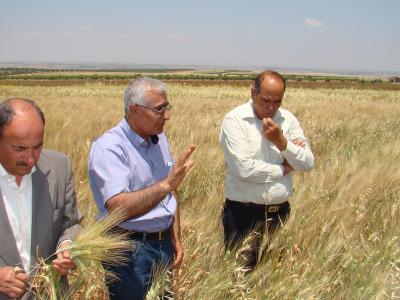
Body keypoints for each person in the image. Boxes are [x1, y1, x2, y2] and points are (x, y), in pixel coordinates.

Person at [88, 77, 196, 300]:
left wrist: (175, 236)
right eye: (159, 110)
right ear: (134, 109)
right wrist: (166, 184)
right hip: (128, 252)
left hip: (162, 246)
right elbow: (118, 207)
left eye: (167, 108)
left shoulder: (159, 139)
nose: (167, 116)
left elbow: (170, 192)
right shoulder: (110, 147)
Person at [220, 70, 314, 272]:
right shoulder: (235, 121)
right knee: (239, 280)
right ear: (253, 93)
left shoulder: (288, 120)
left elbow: (307, 162)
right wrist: (283, 168)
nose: (271, 107)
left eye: (277, 102)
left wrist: (281, 141)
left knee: (276, 277)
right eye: (266, 100)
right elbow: (243, 169)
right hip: (243, 216)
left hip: (280, 214)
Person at [0, 98, 80, 299]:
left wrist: (67, 246)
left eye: (37, 146)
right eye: (19, 148)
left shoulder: (60, 166)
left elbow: (70, 223)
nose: (31, 159)